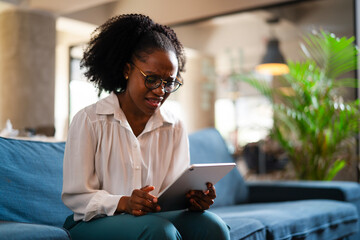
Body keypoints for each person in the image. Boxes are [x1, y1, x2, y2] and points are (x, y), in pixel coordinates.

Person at [61, 14, 230, 240]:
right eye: (151, 79)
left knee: (213, 227)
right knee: (159, 231)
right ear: (127, 70)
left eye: (169, 82)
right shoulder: (89, 120)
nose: (161, 91)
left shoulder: (174, 125)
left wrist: (192, 200)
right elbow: (77, 197)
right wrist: (124, 202)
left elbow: (174, 192)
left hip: (155, 218)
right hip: (93, 223)